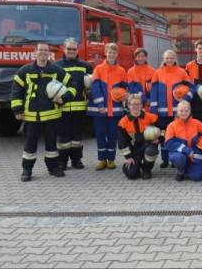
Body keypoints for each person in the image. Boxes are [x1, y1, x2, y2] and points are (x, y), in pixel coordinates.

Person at [11, 43, 76, 181]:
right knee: (29, 146)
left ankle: (53, 168)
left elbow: (72, 85)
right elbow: (16, 92)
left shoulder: (56, 70)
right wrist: (17, 109)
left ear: (49, 53)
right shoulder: (24, 71)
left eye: (46, 50)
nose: (43, 53)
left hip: (52, 115)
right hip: (31, 116)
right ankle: (27, 170)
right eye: (40, 50)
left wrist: (64, 98)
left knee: (51, 145)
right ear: (35, 52)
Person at [150, 49, 194, 168]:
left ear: (175, 59)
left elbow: (192, 87)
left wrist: (186, 98)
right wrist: (153, 111)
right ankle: (165, 160)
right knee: (164, 137)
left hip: (177, 113)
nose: (169, 60)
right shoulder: (157, 73)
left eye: (171, 58)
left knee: (177, 136)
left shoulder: (182, 72)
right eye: (167, 58)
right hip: (162, 113)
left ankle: (175, 159)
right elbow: (153, 92)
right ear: (163, 59)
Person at [87, 43, 128, 171]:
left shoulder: (121, 70)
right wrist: (100, 105)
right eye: (109, 52)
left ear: (117, 54)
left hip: (115, 111)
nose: (111, 55)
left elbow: (124, 88)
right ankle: (101, 160)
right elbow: (95, 88)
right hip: (99, 111)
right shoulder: (98, 69)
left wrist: (122, 95)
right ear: (105, 53)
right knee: (100, 135)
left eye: (114, 53)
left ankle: (111, 160)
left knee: (112, 136)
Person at [55, 38, 93, 170]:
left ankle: (76, 160)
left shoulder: (85, 66)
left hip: (79, 107)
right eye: (69, 49)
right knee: (63, 136)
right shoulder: (56, 66)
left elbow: (91, 85)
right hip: (62, 107)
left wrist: (90, 90)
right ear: (63, 49)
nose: (71, 51)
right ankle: (62, 161)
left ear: (78, 50)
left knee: (77, 136)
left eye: (74, 49)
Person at [116, 94, 159, 180]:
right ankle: (133, 166)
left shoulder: (151, 117)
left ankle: (147, 170)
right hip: (134, 151)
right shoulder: (123, 122)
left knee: (151, 151)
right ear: (128, 105)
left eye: (138, 104)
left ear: (141, 105)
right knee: (132, 175)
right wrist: (128, 157)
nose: (136, 107)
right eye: (133, 104)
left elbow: (163, 130)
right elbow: (122, 142)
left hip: (148, 147)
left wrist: (158, 139)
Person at [165, 100, 202, 181]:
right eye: (181, 111)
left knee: (198, 177)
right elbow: (169, 143)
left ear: (190, 111)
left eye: (186, 111)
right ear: (177, 111)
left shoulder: (197, 123)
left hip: (194, 155)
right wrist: (186, 150)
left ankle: (189, 169)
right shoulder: (172, 126)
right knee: (179, 158)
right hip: (179, 154)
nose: (184, 113)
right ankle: (181, 171)